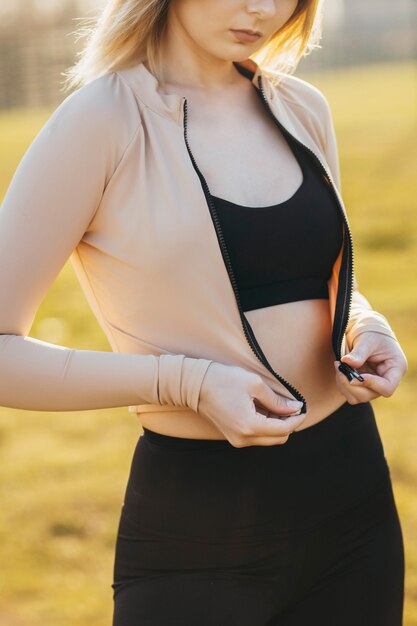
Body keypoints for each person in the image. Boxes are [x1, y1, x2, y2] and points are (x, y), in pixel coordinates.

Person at [0, 0, 408, 624]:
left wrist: (364, 323)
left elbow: (311, 277)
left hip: (354, 507)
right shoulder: (100, 122)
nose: (263, 9)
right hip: (201, 531)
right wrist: (184, 382)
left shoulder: (301, 108)